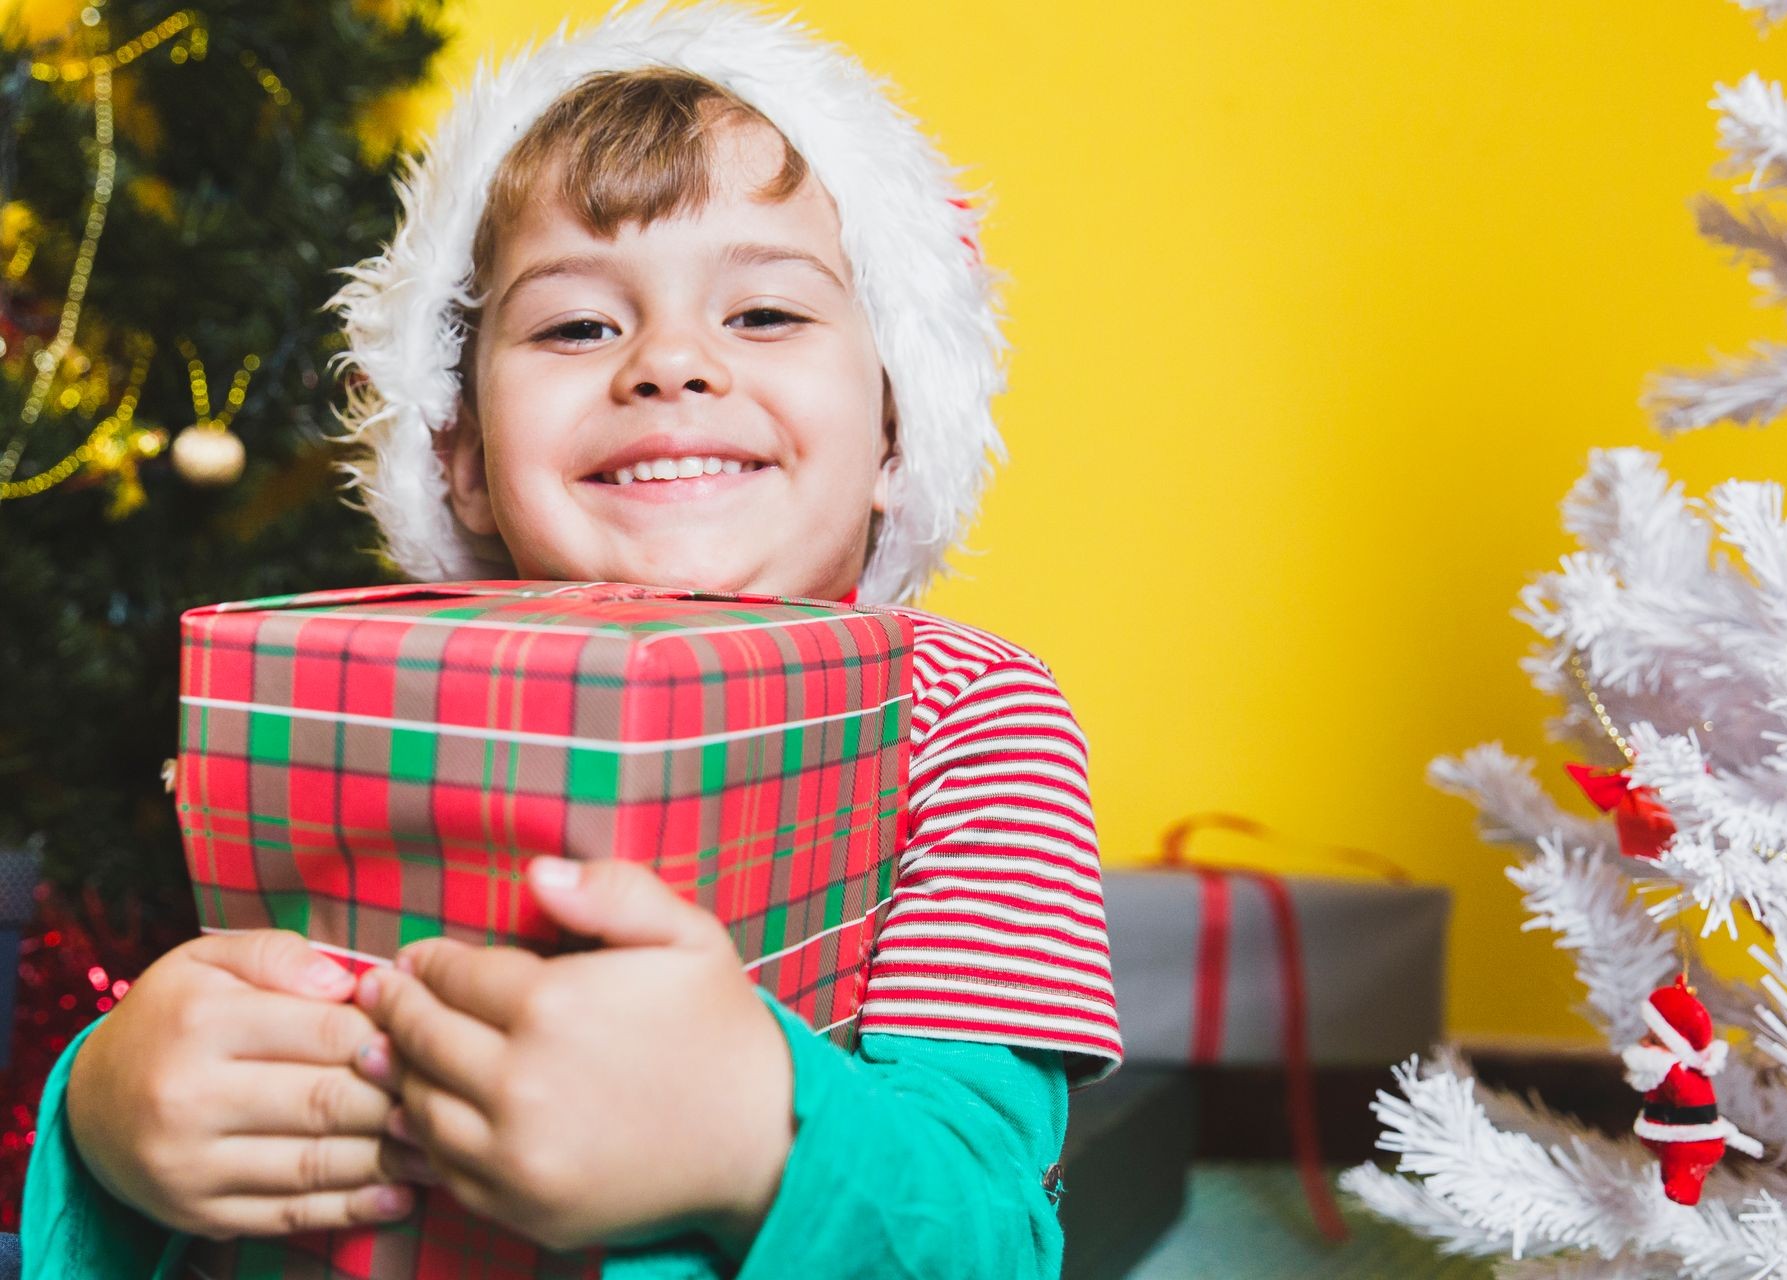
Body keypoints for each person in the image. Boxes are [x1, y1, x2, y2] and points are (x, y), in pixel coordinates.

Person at [19, 3, 1121, 1276]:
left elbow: (988, 1231)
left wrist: (751, 1138)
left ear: (892, 432)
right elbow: (234, 1058)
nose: (669, 362)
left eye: (763, 314)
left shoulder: (975, 719)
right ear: (466, 458)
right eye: (577, 326)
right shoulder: (354, 687)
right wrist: (109, 1119)